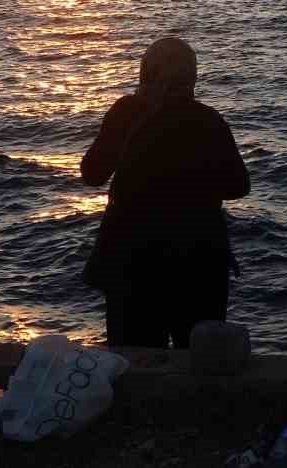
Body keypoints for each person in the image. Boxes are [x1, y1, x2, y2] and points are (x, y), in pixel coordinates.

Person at [80, 37, 249, 349]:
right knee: (198, 363)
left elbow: (92, 174)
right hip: (199, 263)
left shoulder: (125, 113)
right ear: (192, 77)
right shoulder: (208, 120)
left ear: (145, 74)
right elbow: (239, 186)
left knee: (135, 360)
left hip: (132, 264)